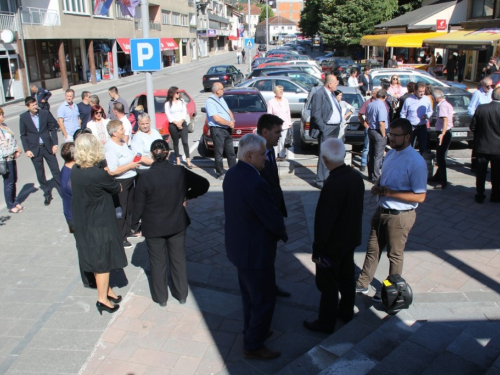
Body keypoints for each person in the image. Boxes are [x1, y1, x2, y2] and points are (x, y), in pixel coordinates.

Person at [223, 134, 287, 360]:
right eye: (262, 154)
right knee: (263, 299)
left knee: (249, 296)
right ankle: (254, 344)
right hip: (256, 252)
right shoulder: (256, 181)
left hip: (239, 249)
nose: (266, 158)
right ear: (249, 155)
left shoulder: (232, 173)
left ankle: (253, 330)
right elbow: (271, 217)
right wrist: (283, 233)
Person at [356, 119, 427, 302]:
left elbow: (420, 196)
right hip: (382, 210)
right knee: (373, 249)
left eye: (396, 135)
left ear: (408, 137)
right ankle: (363, 283)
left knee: (394, 255)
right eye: (390, 134)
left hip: (400, 216)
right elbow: (383, 175)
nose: (391, 138)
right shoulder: (392, 153)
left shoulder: (416, 162)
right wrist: (378, 185)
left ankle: (390, 290)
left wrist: (391, 192)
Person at [133, 139, 209, 306]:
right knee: (178, 260)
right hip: (177, 223)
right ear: (168, 154)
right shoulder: (179, 171)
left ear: (152, 155)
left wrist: (133, 225)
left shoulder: (144, 177)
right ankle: (181, 294)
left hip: (153, 227)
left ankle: (161, 298)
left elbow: (138, 206)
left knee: (157, 263)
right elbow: (204, 184)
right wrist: (187, 195)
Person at [303, 138, 364, 334]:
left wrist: (318, 248)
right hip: (350, 239)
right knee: (347, 279)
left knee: (328, 285)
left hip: (333, 244)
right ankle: (346, 312)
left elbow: (324, 221)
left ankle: (326, 322)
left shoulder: (333, 184)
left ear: (325, 159)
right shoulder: (355, 177)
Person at [72, 134, 126, 315]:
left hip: (84, 221)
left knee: (96, 259)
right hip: (100, 223)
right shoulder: (97, 174)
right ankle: (102, 300)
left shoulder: (75, 170)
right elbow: (116, 188)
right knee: (103, 262)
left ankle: (107, 291)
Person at [256, 114, 290, 298]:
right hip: (263, 220)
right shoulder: (255, 154)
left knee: (269, 257)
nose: (280, 136)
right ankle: (263, 290)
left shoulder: (269, 150)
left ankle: (270, 286)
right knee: (262, 257)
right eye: (277, 132)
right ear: (265, 131)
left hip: (273, 213)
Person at [60, 142, 97, 288]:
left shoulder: (67, 170)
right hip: (77, 218)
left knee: (84, 248)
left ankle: (89, 277)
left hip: (73, 216)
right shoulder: (71, 177)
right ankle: (89, 279)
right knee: (85, 248)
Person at [105, 120, 140, 249]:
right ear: (114, 133)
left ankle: (127, 230)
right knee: (121, 209)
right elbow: (113, 170)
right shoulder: (110, 148)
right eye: (121, 129)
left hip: (130, 178)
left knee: (129, 207)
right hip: (121, 181)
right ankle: (121, 237)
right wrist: (131, 165)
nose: (124, 130)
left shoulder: (122, 142)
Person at [19, 96, 61, 206]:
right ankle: (47, 193)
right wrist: (27, 150)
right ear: (27, 106)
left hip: (48, 147)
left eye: (35, 104)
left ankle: (62, 190)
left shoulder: (44, 113)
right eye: (32, 105)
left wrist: (55, 144)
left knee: (55, 170)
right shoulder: (23, 117)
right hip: (35, 149)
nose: (35, 106)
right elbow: (23, 135)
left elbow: (52, 128)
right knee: (40, 173)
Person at [310, 74, 342, 189]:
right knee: (325, 154)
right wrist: (324, 128)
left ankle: (328, 178)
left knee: (332, 155)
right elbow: (316, 114)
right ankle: (320, 180)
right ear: (329, 84)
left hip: (334, 128)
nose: (337, 85)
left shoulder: (332, 94)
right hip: (327, 129)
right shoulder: (319, 94)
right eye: (335, 83)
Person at [471, 87, 500, 204]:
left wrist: (480, 135)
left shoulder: (481, 108)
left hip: (482, 146)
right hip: (498, 148)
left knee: (481, 173)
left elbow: (472, 126)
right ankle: (495, 195)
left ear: (492, 96)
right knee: (497, 174)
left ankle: (480, 194)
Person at [205, 82, 236, 179]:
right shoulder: (210, 102)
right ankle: (220, 173)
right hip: (218, 129)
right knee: (219, 153)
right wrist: (228, 123)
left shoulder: (221, 98)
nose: (224, 90)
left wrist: (232, 121)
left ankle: (233, 171)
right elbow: (216, 118)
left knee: (231, 152)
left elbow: (228, 110)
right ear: (217, 90)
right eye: (222, 89)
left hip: (227, 129)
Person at [0, 108, 24, 213]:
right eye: (1, 114)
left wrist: (16, 149)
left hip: (12, 157)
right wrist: (14, 150)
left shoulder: (4, 125)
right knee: (8, 182)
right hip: (5, 159)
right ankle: (10, 205)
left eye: (3, 113)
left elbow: (12, 140)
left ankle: (15, 201)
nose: (3, 115)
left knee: (14, 180)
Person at [428, 90, 453, 190]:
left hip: (444, 132)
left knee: (441, 157)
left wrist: (442, 134)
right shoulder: (447, 104)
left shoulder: (442, 105)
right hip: (447, 131)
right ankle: (438, 176)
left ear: (436, 98)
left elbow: (445, 120)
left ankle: (442, 181)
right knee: (441, 155)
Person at [400, 82, 433, 154]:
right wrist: (405, 124)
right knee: (409, 148)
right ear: (415, 90)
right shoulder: (408, 100)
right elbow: (403, 113)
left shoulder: (426, 99)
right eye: (420, 91)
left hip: (422, 127)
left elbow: (430, 111)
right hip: (411, 127)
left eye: (423, 91)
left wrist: (427, 115)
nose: (422, 93)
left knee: (423, 148)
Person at [468, 77, 493, 173]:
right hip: (480, 122)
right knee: (477, 144)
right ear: (482, 85)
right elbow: (471, 108)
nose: (490, 88)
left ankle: (486, 164)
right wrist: (477, 117)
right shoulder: (478, 94)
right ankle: (475, 165)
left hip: (490, 122)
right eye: (488, 86)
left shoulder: (492, 93)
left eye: (491, 86)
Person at [165, 86, 193, 169]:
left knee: (185, 142)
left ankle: (188, 160)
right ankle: (177, 159)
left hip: (182, 122)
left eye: (179, 92)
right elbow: (168, 115)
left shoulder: (182, 101)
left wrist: (180, 122)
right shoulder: (167, 104)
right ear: (172, 93)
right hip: (173, 124)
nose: (179, 94)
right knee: (175, 142)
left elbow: (184, 112)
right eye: (177, 92)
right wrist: (176, 123)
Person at [366, 89, 389, 182]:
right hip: (378, 131)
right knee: (378, 155)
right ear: (385, 97)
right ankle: (376, 176)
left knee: (371, 153)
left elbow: (367, 118)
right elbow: (381, 122)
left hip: (371, 129)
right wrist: (383, 134)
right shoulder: (381, 106)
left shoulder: (370, 104)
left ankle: (370, 174)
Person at [266, 85, 292, 160]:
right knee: (275, 141)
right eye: (280, 91)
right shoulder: (271, 102)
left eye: (282, 91)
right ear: (276, 92)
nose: (281, 93)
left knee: (283, 141)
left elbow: (288, 112)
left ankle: (282, 156)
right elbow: (269, 115)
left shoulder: (285, 101)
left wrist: (289, 123)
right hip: (275, 126)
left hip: (285, 125)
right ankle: (274, 156)